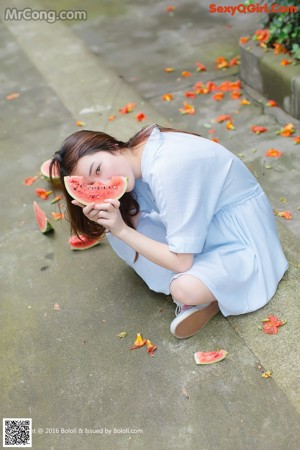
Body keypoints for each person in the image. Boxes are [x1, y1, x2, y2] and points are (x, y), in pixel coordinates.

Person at [50, 123, 288, 339]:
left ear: (111, 145)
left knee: (183, 288)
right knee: (118, 222)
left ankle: (214, 295)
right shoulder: (140, 151)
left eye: (98, 169)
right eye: (91, 187)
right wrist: (111, 221)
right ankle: (211, 287)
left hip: (241, 238)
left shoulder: (169, 168)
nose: (103, 184)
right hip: (206, 227)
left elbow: (181, 263)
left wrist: (122, 230)